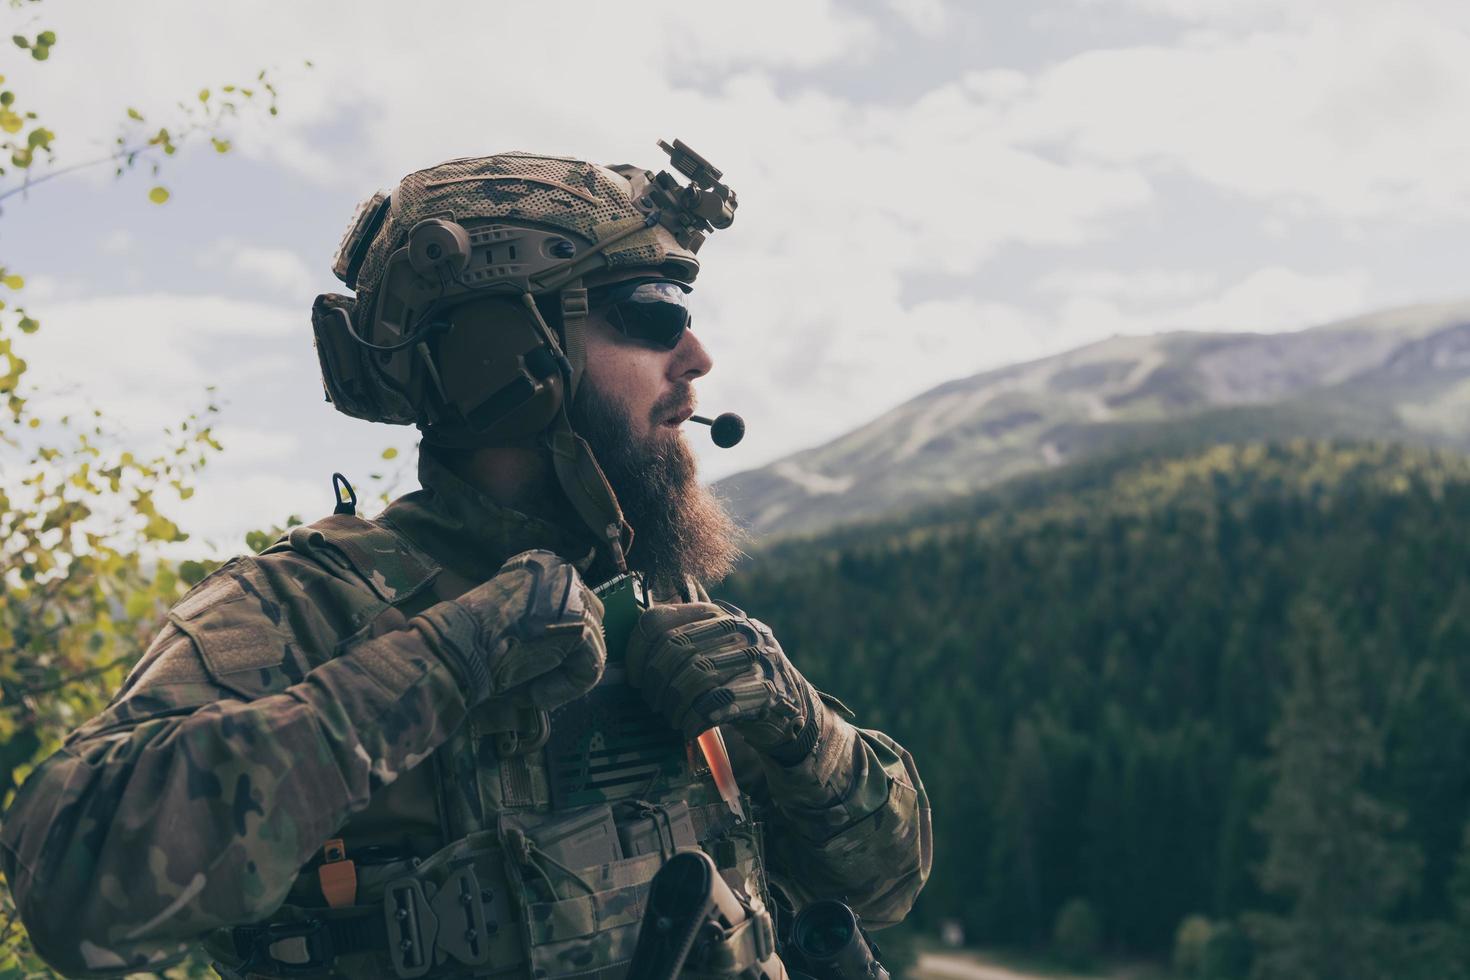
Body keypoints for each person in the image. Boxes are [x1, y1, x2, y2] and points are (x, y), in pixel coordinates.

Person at [0, 141, 931, 979]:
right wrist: (448, 659)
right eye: (652, 313)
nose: (695, 355)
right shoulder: (302, 607)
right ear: (510, 353)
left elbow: (889, 884)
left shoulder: (661, 595)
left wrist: (802, 726)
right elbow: (72, 886)